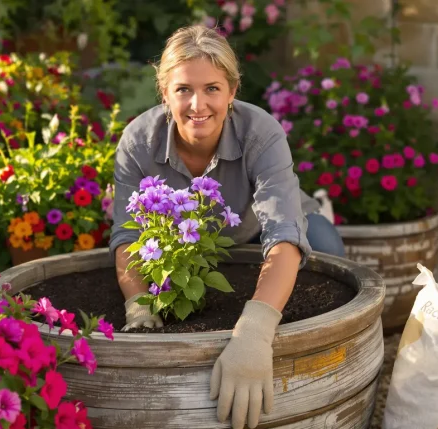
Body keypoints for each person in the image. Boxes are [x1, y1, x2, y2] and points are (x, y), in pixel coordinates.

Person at [108, 25, 345, 429]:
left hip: (255, 230)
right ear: (164, 92)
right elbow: (128, 234)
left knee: (327, 254)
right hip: (185, 252)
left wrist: (254, 331)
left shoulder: (260, 132)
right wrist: (139, 304)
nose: (198, 104)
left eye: (212, 88)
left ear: (232, 91)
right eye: (183, 89)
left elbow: (283, 232)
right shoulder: (139, 141)